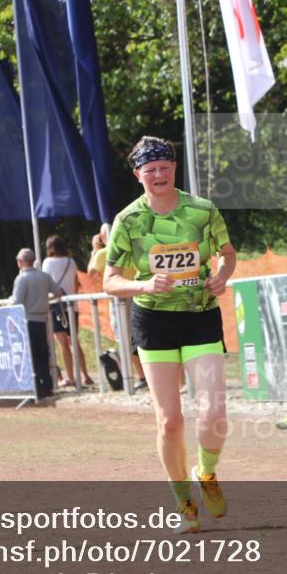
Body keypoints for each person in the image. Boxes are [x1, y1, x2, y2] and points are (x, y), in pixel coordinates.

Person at [104, 135, 236, 534]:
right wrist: (143, 286)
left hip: (199, 315)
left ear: (173, 169)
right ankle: (184, 504)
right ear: (138, 175)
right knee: (169, 421)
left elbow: (227, 253)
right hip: (154, 321)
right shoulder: (128, 221)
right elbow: (110, 281)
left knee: (214, 412)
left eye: (164, 167)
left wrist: (222, 277)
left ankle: (206, 473)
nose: (158, 175)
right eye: (150, 170)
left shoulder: (202, 210)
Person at [88, 223, 146, 389]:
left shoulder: (104, 252)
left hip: (120, 300)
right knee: (140, 337)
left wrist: (95, 250)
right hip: (139, 296)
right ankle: (145, 375)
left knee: (126, 340)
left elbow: (91, 272)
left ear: (104, 237)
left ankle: (140, 377)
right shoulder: (130, 248)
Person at [42, 234, 94, 387]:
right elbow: (76, 284)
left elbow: (47, 284)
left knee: (62, 343)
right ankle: (85, 375)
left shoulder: (48, 262)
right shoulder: (71, 262)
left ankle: (71, 377)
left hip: (56, 306)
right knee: (74, 341)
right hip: (72, 305)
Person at [10, 247, 62, 398]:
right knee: (43, 354)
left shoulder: (21, 278)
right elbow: (58, 292)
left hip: (27, 321)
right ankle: (47, 385)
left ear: (20, 262)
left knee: (32, 355)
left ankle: (37, 387)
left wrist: (9, 301)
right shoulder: (44, 276)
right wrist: (45, 299)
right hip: (42, 319)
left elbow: (17, 301)